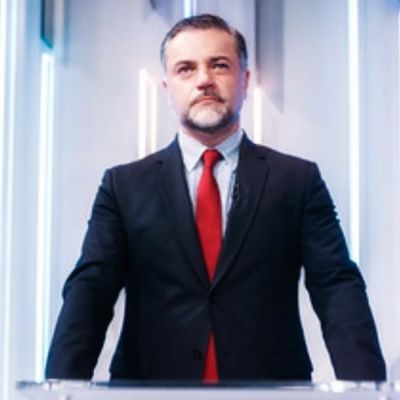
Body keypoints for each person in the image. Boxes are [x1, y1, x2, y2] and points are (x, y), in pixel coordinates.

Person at [45, 13, 386, 382]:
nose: (204, 79)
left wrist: (366, 388)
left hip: (269, 389)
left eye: (219, 65)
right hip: (152, 388)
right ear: (167, 88)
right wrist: (61, 386)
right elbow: (90, 291)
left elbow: (336, 286)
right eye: (186, 69)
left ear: (245, 80)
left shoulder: (298, 181)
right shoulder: (123, 186)